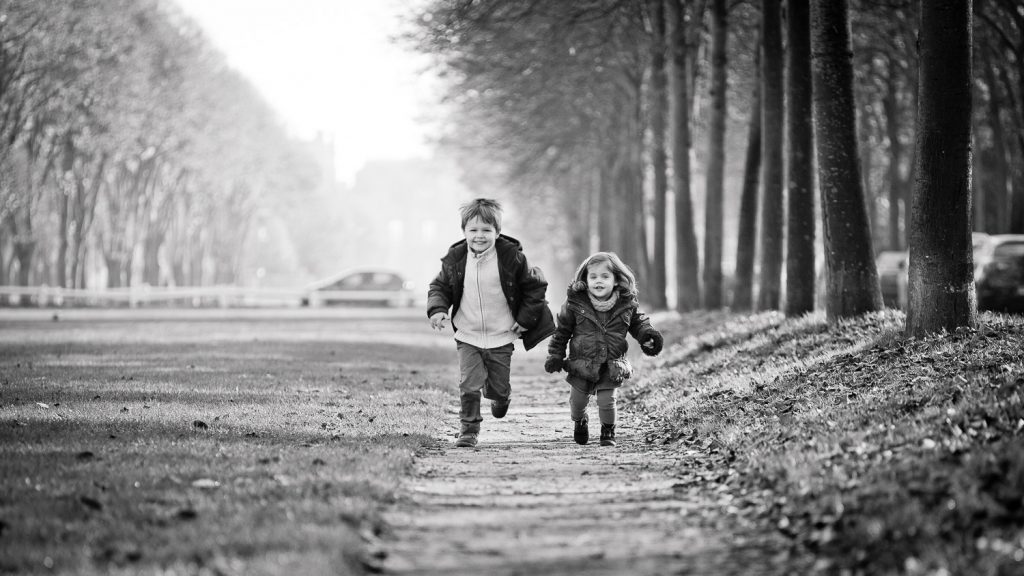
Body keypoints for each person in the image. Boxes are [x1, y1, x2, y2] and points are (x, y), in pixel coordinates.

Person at [428, 198, 555, 448]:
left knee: (498, 387)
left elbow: (535, 288)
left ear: (497, 232)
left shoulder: (511, 258)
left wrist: (525, 320)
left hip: (502, 333)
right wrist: (438, 309)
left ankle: (501, 397)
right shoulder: (455, 258)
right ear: (464, 231)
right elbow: (439, 286)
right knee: (468, 383)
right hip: (468, 334)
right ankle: (469, 430)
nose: (479, 236)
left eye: (486, 230)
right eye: (473, 230)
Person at [544, 252, 663, 447]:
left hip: (612, 362)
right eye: (593, 277)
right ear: (585, 279)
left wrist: (648, 336)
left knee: (607, 401)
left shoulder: (626, 303)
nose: (599, 281)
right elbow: (562, 331)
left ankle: (608, 430)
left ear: (616, 280)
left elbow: (639, 323)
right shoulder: (576, 303)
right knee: (578, 402)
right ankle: (580, 420)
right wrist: (556, 354)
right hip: (582, 362)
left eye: (605, 276)